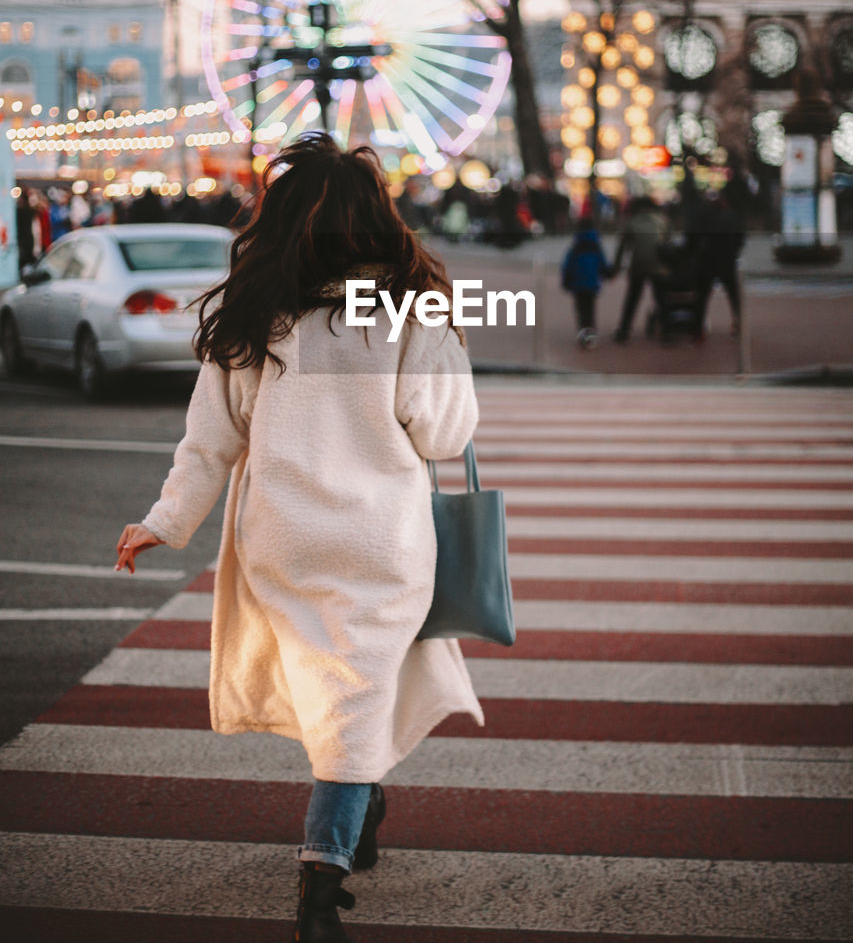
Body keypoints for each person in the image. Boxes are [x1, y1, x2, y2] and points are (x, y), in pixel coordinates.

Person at [114, 133, 482, 942]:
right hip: (379, 538)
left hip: (281, 535)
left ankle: (365, 795)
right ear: (377, 222)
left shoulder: (257, 312)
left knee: (353, 684)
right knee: (354, 700)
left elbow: (209, 444)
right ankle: (322, 882)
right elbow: (444, 435)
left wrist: (164, 524)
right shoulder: (401, 310)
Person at [612, 196, 669, 342]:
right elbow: (669, 243)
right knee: (661, 298)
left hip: (638, 265)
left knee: (632, 298)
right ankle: (667, 330)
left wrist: (616, 268)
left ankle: (624, 331)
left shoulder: (631, 222)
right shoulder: (661, 220)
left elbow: (622, 248)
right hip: (659, 265)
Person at [688, 191, 745, 338]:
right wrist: (734, 251)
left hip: (707, 260)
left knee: (702, 295)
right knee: (733, 294)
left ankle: (698, 327)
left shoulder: (703, 217)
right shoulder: (731, 216)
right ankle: (738, 323)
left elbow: (692, 237)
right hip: (727, 260)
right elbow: (740, 237)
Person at [560, 217, 610, 348]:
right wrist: (606, 273)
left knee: (581, 310)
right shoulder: (596, 246)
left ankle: (583, 332)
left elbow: (567, 265)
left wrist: (566, 281)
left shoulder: (576, 246)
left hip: (578, 285)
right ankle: (591, 333)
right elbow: (602, 264)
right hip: (592, 284)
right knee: (591, 309)